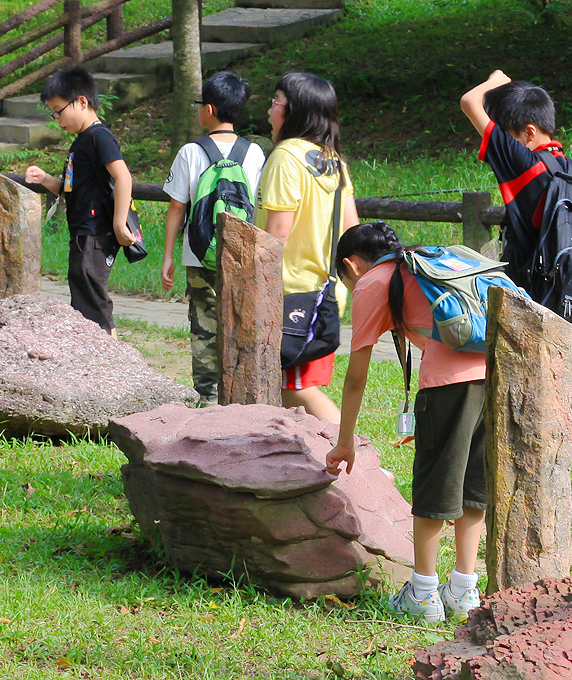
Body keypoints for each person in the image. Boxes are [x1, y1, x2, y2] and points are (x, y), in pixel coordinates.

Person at [324, 222, 486, 624]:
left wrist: (344, 443)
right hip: (492, 373)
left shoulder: (372, 282)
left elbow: (356, 376)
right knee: (472, 485)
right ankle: (465, 589)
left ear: (350, 265)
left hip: (448, 385)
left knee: (433, 485)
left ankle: (423, 592)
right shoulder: (423, 263)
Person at [256, 72, 360, 423]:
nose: (270, 110)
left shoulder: (286, 156)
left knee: (295, 389)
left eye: (275, 102)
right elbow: (352, 230)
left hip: (289, 295)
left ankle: (357, 459)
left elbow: (277, 235)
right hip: (325, 295)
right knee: (292, 388)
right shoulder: (333, 161)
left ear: (293, 111)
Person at [161, 72, 266, 406]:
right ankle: (241, 401)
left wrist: (168, 256)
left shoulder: (191, 152)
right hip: (242, 256)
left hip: (199, 255)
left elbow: (177, 207)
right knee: (242, 325)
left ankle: (206, 400)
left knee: (204, 330)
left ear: (208, 109)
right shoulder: (255, 153)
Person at [25, 66, 136, 337]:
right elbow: (69, 189)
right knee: (83, 297)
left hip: (96, 232)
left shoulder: (99, 136)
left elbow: (123, 177)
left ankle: (111, 360)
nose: (57, 119)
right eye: (53, 113)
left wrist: (120, 223)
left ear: (82, 102)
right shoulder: (82, 141)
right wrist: (45, 179)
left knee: (92, 300)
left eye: (59, 111)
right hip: (82, 233)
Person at [459, 70, 565, 286]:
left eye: (506, 134)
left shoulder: (523, 162)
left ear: (529, 133)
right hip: (562, 285)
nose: (505, 141)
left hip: (529, 286)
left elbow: (469, 101)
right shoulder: (567, 166)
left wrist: (496, 81)